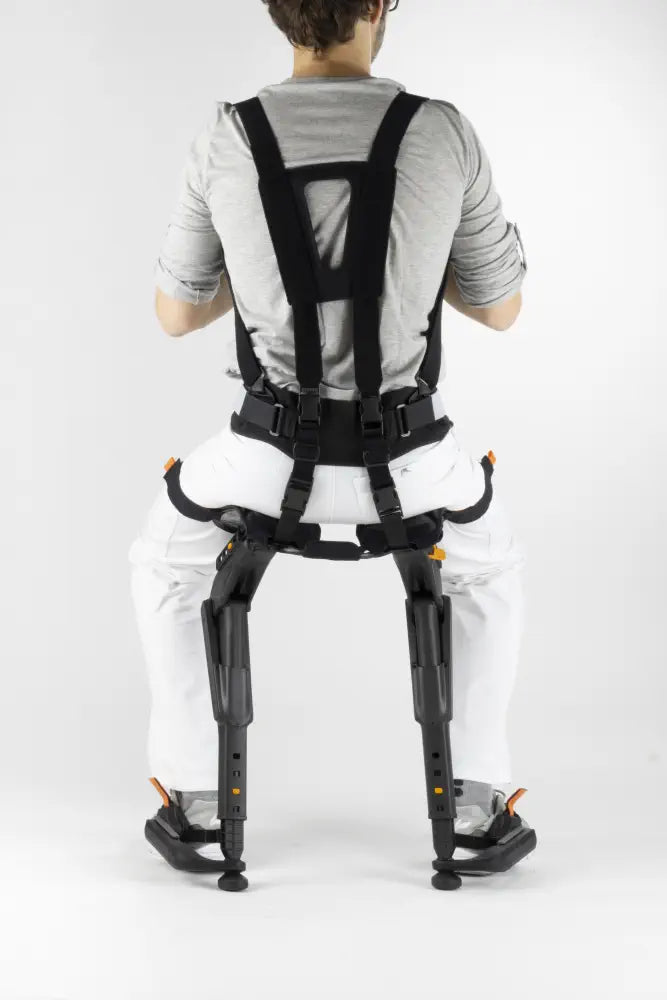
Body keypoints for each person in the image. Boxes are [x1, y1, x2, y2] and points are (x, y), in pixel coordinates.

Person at [129, 0, 529, 860]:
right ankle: (474, 801)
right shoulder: (440, 131)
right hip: (413, 456)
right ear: (379, 6)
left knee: (167, 558)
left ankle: (197, 797)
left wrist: (265, 268)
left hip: (264, 456)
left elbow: (175, 314)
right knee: (485, 563)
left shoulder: (227, 136)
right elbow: (499, 308)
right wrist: (415, 262)